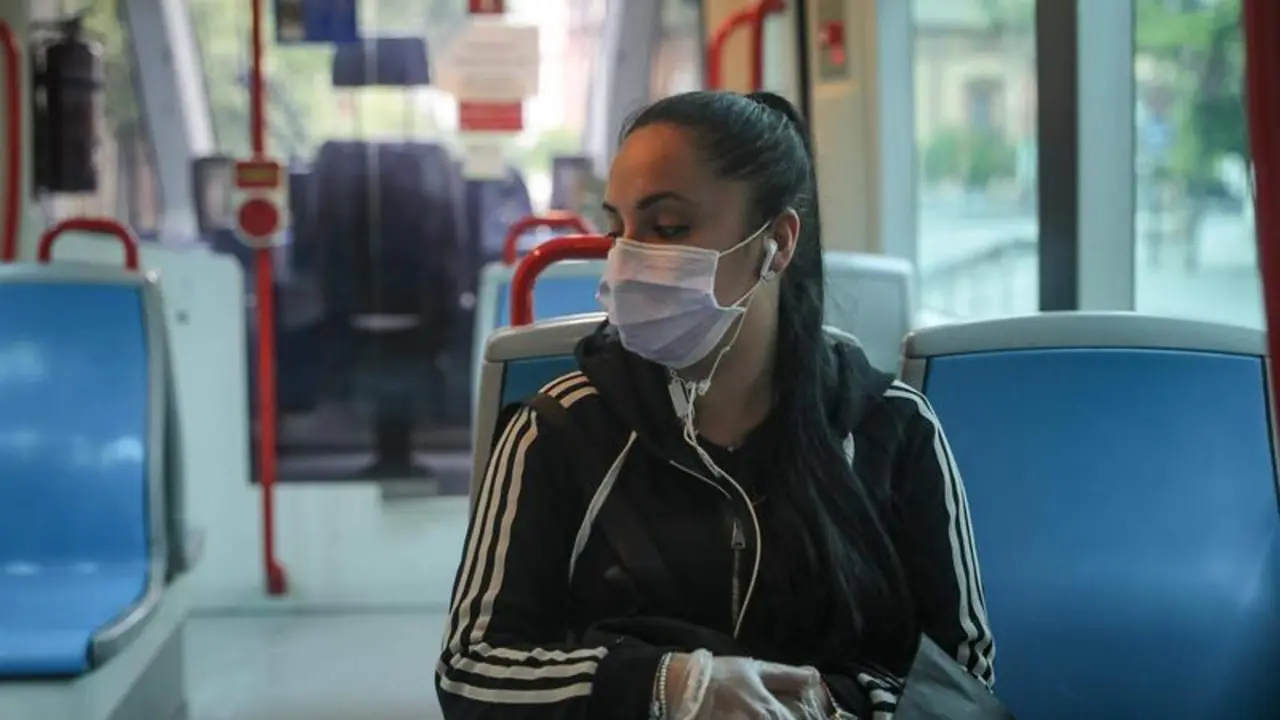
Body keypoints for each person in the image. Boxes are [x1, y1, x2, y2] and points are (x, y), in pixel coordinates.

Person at [436, 90, 995, 719]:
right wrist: (670, 687)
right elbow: (471, 672)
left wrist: (832, 705)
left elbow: (962, 680)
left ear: (777, 243)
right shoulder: (560, 428)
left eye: (668, 227)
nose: (628, 260)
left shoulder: (894, 429)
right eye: (618, 229)